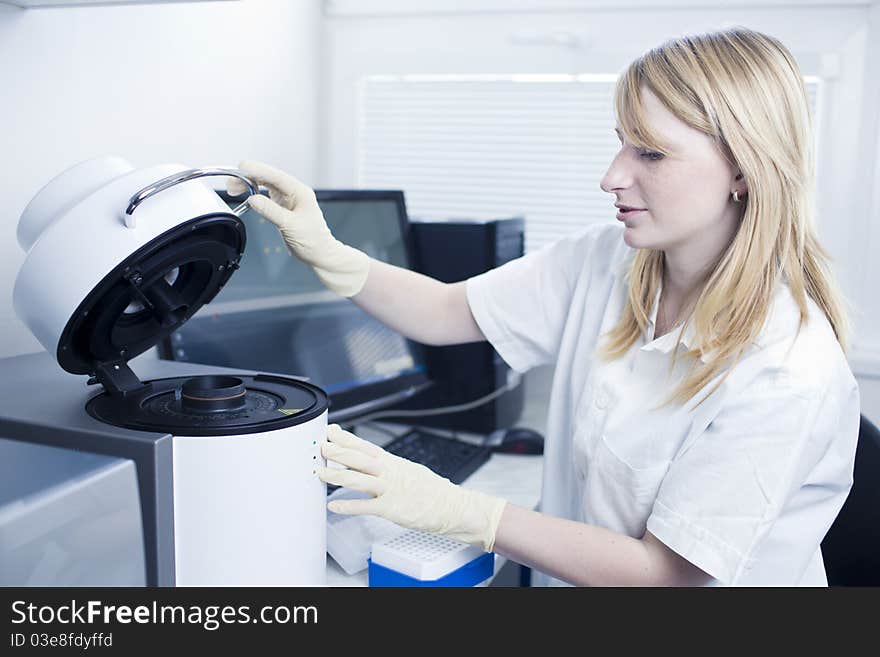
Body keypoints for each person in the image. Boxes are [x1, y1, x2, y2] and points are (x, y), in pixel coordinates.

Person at [231, 26, 860, 586]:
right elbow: (446, 312)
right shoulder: (605, 261)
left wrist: (460, 512)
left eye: (650, 152)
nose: (612, 176)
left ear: (743, 171)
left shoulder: (787, 368)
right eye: (621, 143)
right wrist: (331, 253)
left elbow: (665, 576)